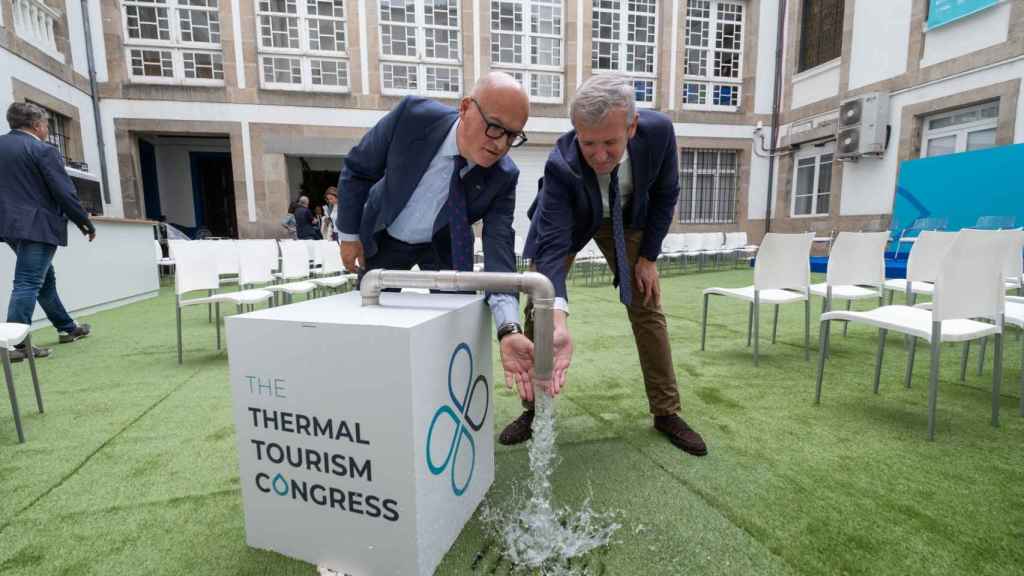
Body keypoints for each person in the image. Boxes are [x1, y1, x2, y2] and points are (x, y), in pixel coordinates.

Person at [504, 74, 708, 457]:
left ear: (632, 126)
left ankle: (666, 411)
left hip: (628, 219)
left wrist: (648, 258)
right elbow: (552, 249)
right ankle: (533, 410)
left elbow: (666, 194)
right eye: (589, 143)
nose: (599, 156)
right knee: (539, 305)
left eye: (610, 143)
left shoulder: (659, 133)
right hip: (571, 218)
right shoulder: (561, 164)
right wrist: (557, 319)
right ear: (576, 132)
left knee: (647, 303)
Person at [338, 72, 535, 399]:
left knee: (456, 329)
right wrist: (348, 235)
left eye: (512, 135)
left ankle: (450, 398)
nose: (500, 144)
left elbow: (499, 251)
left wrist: (508, 328)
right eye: (495, 126)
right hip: (386, 236)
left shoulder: (504, 176)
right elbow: (358, 169)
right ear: (465, 107)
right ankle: (368, 394)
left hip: (446, 248)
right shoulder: (412, 117)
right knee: (370, 323)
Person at [0, 102, 94, 361]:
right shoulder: (43, 150)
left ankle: (67, 328)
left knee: (43, 279)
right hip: (37, 224)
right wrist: (83, 221)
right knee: (28, 281)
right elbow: (64, 191)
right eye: (46, 125)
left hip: (9, 226)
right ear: (36, 125)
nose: (47, 130)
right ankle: (13, 345)